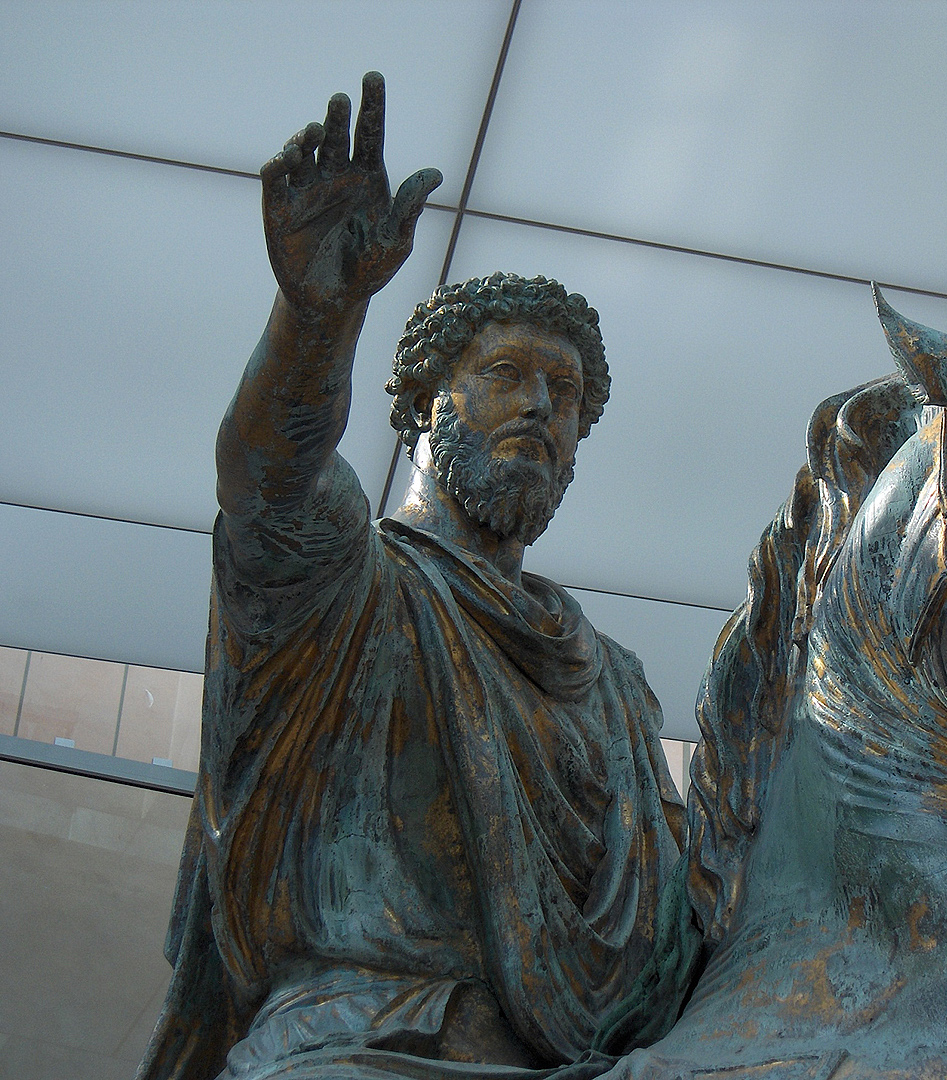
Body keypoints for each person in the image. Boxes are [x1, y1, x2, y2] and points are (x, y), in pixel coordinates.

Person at [136, 73, 688, 1080]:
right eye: (507, 374)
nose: (539, 406)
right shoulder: (349, 578)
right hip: (360, 1045)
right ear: (423, 407)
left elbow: (684, 927)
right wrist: (317, 321)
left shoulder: (612, 678)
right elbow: (266, 476)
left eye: (564, 395)